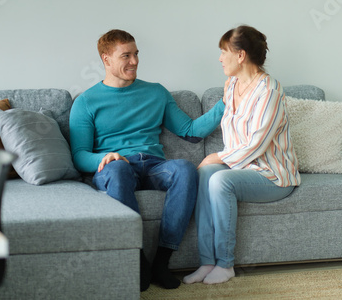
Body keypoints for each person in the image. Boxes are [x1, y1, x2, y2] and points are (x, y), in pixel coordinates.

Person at [69, 29, 225, 291]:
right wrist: (105, 157)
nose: (134, 61)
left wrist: (226, 103)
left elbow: (191, 132)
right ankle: (138, 261)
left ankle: (161, 263)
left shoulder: (156, 92)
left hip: (153, 165)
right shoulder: (86, 102)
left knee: (185, 169)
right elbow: (79, 156)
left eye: (136, 54)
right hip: (115, 168)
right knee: (118, 170)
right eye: (126, 56)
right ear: (106, 60)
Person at [183, 25, 301, 285]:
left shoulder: (269, 91)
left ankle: (225, 265)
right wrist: (215, 161)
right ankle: (207, 261)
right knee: (204, 173)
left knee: (220, 179)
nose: (219, 58)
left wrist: (219, 156)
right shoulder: (231, 85)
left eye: (224, 51)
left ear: (240, 55)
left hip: (273, 175)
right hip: (243, 170)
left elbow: (256, 144)